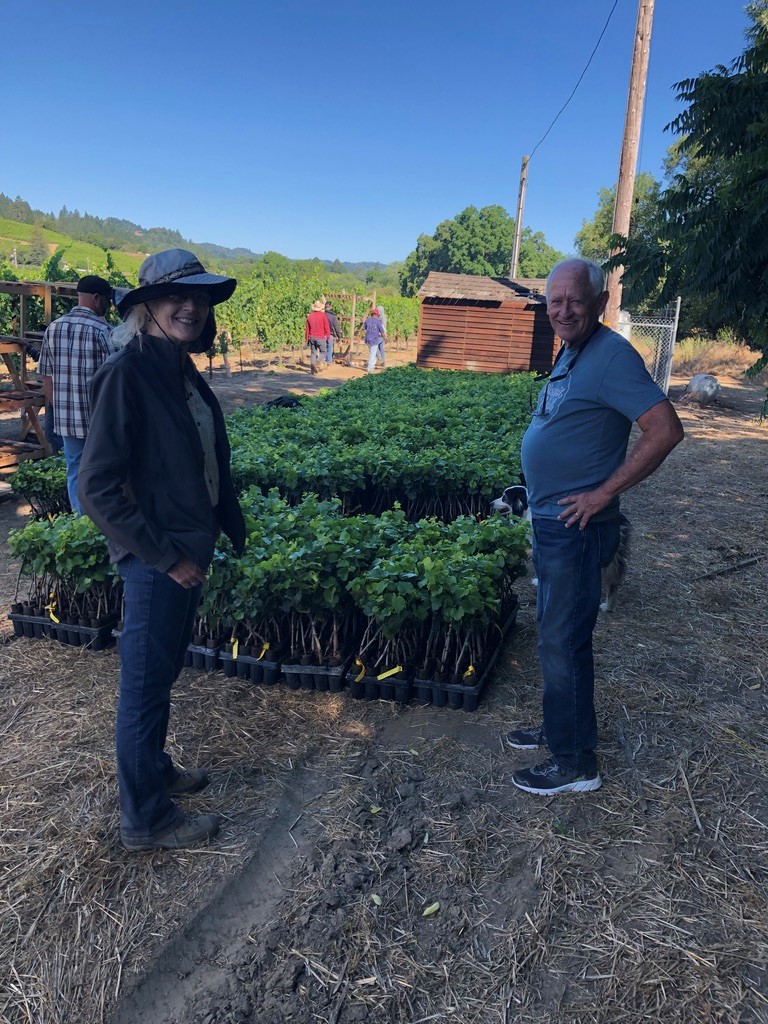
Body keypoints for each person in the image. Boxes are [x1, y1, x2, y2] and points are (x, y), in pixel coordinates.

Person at [78, 249, 246, 852]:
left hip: (186, 551)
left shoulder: (180, 368)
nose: (190, 306)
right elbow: (95, 487)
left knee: (164, 670)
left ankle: (155, 768)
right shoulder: (127, 373)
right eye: (177, 296)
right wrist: (164, 557)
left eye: (199, 298)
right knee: (145, 686)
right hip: (158, 562)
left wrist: (224, 524)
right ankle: (145, 817)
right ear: (144, 307)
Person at [508, 258, 684, 796]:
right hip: (551, 521)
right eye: (553, 301)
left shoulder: (610, 356)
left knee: (564, 642)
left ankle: (576, 763)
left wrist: (603, 492)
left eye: (575, 301)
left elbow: (665, 429)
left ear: (600, 303)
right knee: (552, 638)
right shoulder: (575, 351)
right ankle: (561, 727)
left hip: (576, 530)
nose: (562, 310)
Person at [38, 275, 114, 511]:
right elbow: (117, 379)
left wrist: (57, 406)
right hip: (99, 421)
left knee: (75, 471)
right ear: (95, 298)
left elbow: (46, 375)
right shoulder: (105, 332)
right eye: (106, 300)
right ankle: (102, 527)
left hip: (67, 421)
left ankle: (80, 524)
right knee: (103, 474)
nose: (108, 306)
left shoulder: (53, 328)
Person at [305, 299, 331, 374]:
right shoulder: (323, 316)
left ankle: (313, 370)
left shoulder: (310, 316)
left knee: (313, 353)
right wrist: (328, 336)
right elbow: (326, 327)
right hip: (320, 337)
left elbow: (307, 329)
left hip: (312, 337)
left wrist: (306, 339)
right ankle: (316, 363)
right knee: (323, 352)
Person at [362, 307, 387, 373]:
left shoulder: (367, 320)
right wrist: (385, 339)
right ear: (377, 315)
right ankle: (370, 369)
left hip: (367, 340)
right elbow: (382, 332)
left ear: (372, 314)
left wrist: (359, 337)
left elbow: (363, 330)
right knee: (373, 354)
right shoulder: (378, 322)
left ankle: (374, 363)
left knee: (372, 352)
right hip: (374, 340)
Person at [324, 301, 342, 366]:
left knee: (323, 349)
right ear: (330, 307)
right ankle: (328, 362)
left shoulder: (322, 315)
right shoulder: (333, 316)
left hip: (321, 335)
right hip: (330, 335)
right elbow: (336, 327)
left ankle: (323, 361)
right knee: (329, 349)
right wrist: (339, 337)